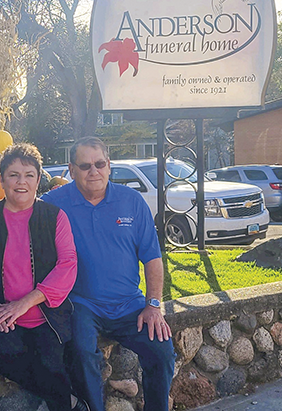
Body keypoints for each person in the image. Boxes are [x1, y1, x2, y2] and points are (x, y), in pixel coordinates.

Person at [41, 137, 175, 411]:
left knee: (161, 350)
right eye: (85, 165)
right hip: (81, 304)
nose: (94, 171)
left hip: (129, 303)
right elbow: (21, 211)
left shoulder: (132, 201)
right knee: (80, 353)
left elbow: (152, 257)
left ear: (109, 165)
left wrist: (153, 304)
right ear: (71, 169)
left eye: (100, 164)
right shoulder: (54, 203)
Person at [0, 143, 85, 411]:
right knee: (3, 356)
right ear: (2, 180)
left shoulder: (54, 217)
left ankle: (66, 403)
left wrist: (24, 303)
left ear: (38, 180)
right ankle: (72, 403)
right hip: (0, 315)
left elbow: (67, 265)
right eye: (14, 174)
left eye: (29, 175)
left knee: (53, 366)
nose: (21, 182)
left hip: (45, 316)